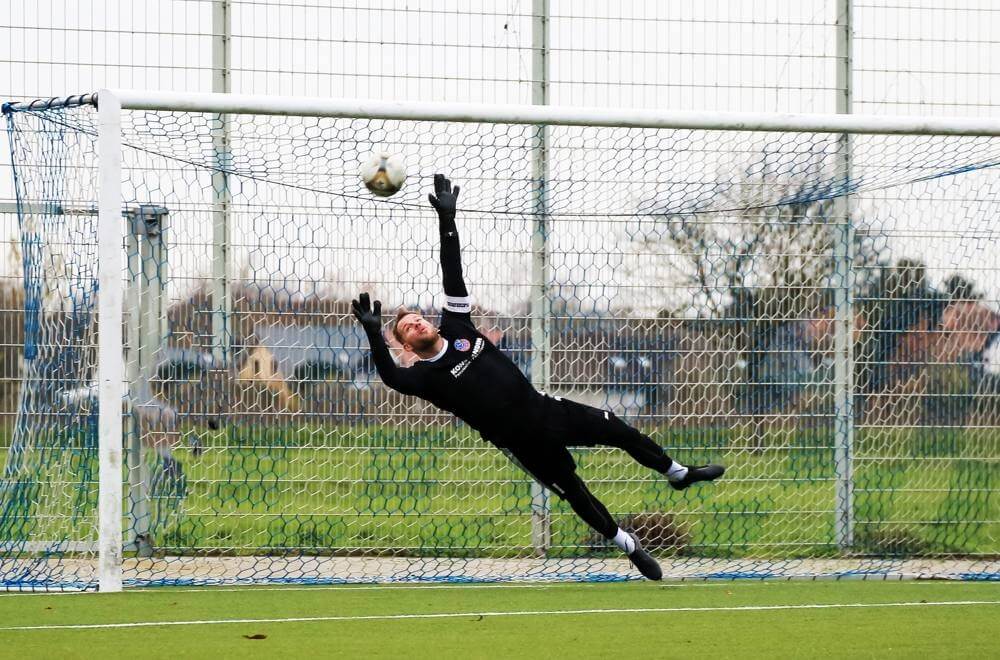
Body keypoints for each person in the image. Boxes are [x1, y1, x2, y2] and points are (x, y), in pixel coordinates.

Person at [352, 175, 724, 580]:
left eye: (418, 318)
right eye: (407, 328)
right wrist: (374, 331)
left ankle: (678, 474)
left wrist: (447, 219)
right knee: (575, 491)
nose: (417, 325)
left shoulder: (459, 326)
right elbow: (388, 377)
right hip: (522, 442)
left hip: (547, 411)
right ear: (406, 347)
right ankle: (630, 547)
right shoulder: (424, 378)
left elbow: (451, 268)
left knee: (619, 429)